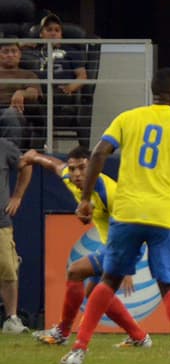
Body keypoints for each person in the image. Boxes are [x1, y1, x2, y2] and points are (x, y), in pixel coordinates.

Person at [59, 68, 170, 364]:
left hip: (127, 213)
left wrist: (84, 198)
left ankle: (78, 349)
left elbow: (98, 153)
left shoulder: (128, 118)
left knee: (108, 280)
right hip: (164, 216)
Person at [22, 147, 152, 347]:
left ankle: (63, 333)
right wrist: (35, 157)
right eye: (73, 169)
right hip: (110, 244)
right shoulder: (70, 179)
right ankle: (139, 337)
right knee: (95, 293)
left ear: (94, 167)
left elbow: (132, 227)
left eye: (82, 168)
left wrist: (126, 267)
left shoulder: (110, 193)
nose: (76, 174)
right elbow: (55, 165)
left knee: (75, 271)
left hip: (126, 244)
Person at [33, 14, 90, 147]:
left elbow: (82, 77)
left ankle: (39, 148)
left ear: (61, 34)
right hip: (37, 92)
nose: (53, 33)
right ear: (41, 34)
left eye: (57, 30)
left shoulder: (72, 52)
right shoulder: (34, 52)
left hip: (61, 93)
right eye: (49, 30)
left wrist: (70, 88)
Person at [0, 136, 32, 332]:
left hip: (0, 222)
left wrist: (17, 196)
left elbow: (26, 165)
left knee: (8, 268)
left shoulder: (3, 146)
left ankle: (11, 319)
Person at [0, 42, 43, 147]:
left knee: (10, 114)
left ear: (20, 55)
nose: (10, 55)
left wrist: (21, 93)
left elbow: (34, 93)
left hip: (15, 111)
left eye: (14, 51)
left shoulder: (28, 74)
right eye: (6, 52)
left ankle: (11, 158)